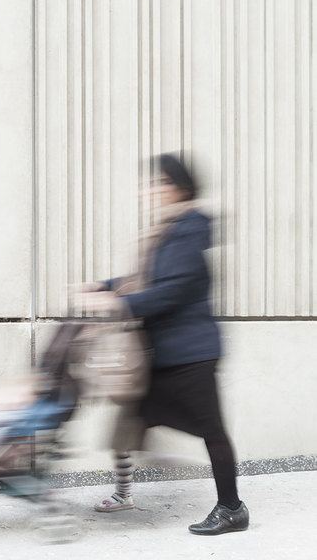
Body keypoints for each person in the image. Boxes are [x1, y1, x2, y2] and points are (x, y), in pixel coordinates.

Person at [73, 153, 249, 536]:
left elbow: (173, 289)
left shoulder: (190, 228)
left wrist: (118, 304)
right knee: (129, 421)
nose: (149, 190)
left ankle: (232, 508)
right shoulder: (167, 230)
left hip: (191, 353)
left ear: (178, 187)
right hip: (164, 351)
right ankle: (125, 492)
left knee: (212, 431)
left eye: (158, 183)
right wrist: (103, 286)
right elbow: (145, 278)